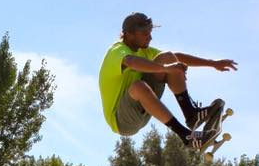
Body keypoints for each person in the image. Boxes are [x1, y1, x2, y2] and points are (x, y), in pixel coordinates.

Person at [98, 12, 238, 148]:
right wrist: (166, 69)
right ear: (129, 35)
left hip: (142, 108)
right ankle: (186, 136)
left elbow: (176, 57)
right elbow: (131, 62)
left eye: (150, 33)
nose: (150, 37)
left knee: (168, 57)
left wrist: (213, 63)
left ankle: (191, 114)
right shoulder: (117, 51)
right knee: (139, 86)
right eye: (145, 34)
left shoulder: (144, 50)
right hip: (122, 121)